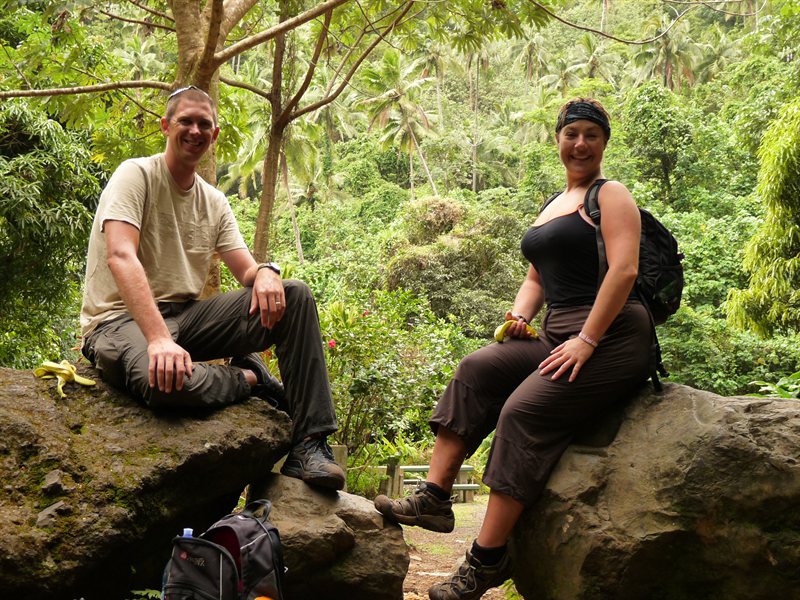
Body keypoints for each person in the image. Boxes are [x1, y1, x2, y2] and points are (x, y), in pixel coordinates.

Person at [374, 98, 653, 599]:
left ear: (604, 143)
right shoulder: (552, 203)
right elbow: (535, 279)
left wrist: (587, 340)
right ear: (558, 139)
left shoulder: (611, 196)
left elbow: (624, 270)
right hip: (555, 332)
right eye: (572, 134)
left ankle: (486, 561)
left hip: (612, 335)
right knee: (476, 368)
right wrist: (519, 317)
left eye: (591, 135)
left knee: (521, 413)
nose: (581, 144)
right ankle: (434, 498)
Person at [80, 85, 345, 491]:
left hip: (188, 318)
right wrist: (158, 339)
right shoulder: (135, 174)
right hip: (118, 322)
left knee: (295, 295)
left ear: (214, 134)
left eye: (204, 124)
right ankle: (251, 379)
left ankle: (310, 444)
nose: (195, 131)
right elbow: (121, 255)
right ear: (166, 126)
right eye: (185, 121)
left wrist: (267, 271)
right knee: (163, 381)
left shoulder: (214, 200)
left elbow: (246, 269)